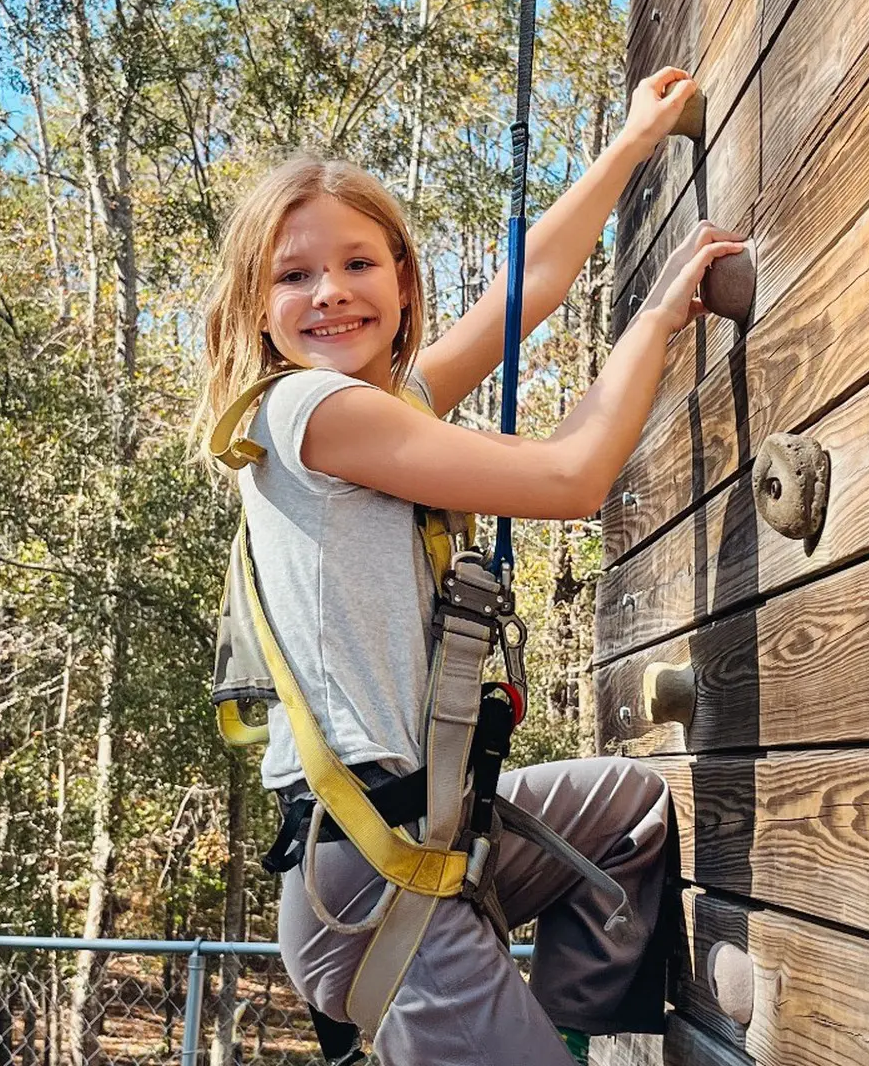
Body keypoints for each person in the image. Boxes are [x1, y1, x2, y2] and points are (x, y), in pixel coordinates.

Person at [188, 65, 749, 1066]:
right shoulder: (311, 411)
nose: (330, 294)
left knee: (627, 810)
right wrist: (658, 324)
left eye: (359, 263)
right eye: (293, 276)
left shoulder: (381, 399)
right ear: (256, 306)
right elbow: (573, 477)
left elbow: (524, 292)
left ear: (402, 279)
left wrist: (630, 144)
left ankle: (559, 1038)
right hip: (369, 877)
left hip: (429, 835)